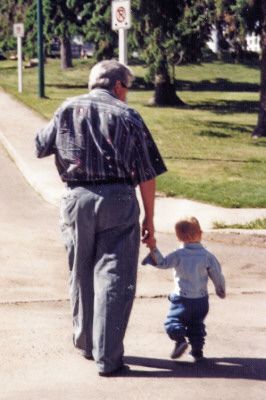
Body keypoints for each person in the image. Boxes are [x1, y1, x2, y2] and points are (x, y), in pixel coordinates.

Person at [35, 59, 167, 376]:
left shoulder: (66, 108)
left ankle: (85, 343)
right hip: (119, 200)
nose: (127, 94)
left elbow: (41, 145)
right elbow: (147, 173)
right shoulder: (129, 116)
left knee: (79, 271)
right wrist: (149, 219)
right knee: (115, 277)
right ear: (118, 86)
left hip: (76, 198)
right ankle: (107, 357)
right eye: (128, 88)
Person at [142, 216, 225, 362]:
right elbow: (217, 273)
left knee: (172, 322)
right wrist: (220, 289)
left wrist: (152, 248)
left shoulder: (178, 255)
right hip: (201, 300)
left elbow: (163, 263)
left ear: (178, 237)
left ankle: (180, 340)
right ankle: (197, 352)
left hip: (182, 299)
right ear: (200, 232)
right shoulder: (207, 256)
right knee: (196, 325)